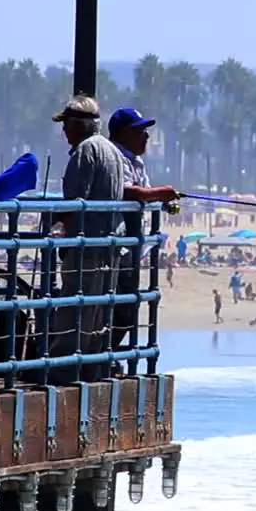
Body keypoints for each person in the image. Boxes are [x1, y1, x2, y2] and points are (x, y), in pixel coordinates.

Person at [49, 95, 125, 384]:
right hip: (111, 244)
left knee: (73, 310)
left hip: (88, 244)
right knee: (99, 314)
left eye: (66, 125)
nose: (64, 132)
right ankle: (94, 370)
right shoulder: (112, 151)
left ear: (78, 125)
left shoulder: (84, 152)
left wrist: (56, 226)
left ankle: (63, 374)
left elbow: (75, 202)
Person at [108, 107, 181, 356]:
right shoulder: (116, 157)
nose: (146, 137)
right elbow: (128, 192)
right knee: (115, 308)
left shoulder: (135, 160)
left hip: (131, 249)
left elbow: (145, 193)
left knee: (127, 308)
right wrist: (161, 192)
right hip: (116, 245)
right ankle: (100, 357)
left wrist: (162, 198)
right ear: (123, 134)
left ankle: (106, 356)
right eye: (140, 131)